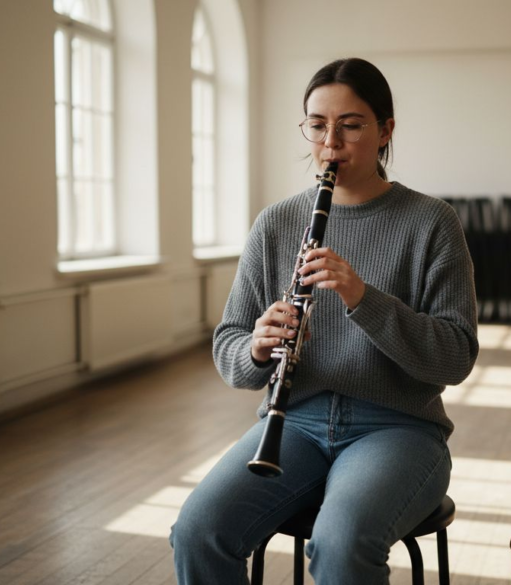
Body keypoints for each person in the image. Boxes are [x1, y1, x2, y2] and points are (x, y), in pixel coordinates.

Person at [169, 57, 478, 585]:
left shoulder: (432, 222)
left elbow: (454, 356)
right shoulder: (278, 222)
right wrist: (257, 348)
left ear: (385, 131)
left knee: (340, 545)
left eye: (351, 125)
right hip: (293, 424)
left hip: (397, 429)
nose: (330, 142)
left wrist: (363, 299)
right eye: (317, 125)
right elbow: (229, 346)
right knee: (199, 531)